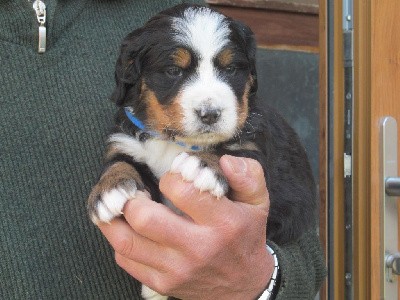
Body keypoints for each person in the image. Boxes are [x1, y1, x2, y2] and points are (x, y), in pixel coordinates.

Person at [0, 1, 326, 299]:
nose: (209, 105)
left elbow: (305, 255)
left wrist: (260, 282)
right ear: (133, 78)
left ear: (251, 78)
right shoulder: (132, 124)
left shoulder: (164, 10)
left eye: (230, 69)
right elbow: (123, 150)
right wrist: (119, 175)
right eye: (174, 71)